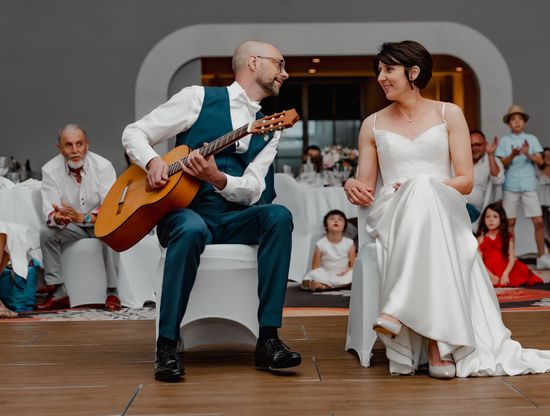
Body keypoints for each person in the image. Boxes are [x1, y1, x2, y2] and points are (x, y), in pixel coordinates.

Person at [344, 40, 550, 378]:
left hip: (443, 207)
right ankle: (436, 344)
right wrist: (351, 186)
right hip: (393, 211)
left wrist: (424, 186)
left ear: (413, 72)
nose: (381, 78)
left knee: (423, 189)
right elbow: (366, 187)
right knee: (417, 192)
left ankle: (402, 312)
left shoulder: (449, 113)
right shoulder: (372, 124)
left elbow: (464, 182)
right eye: (380, 71)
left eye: (388, 70)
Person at [122, 40, 301, 382]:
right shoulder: (198, 98)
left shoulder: (270, 127)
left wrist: (219, 180)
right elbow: (135, 133)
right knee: (190, 229)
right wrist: (154, 161)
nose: (285, 72)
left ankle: (268, 339)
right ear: (253, 63)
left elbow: (255, 190)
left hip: (235, 216)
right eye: (279, 63)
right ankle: (167, 345)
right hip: (185, 211)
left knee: (278, 216)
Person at [38, 124, 120, 312]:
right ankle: (59, 292)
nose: (75, 150)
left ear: (87, 145)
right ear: (60, 148)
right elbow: (49, 211)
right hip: (73, 227)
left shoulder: (103, 166)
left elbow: (111, 208)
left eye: (79, 144)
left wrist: (84, 217)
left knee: (112, 232)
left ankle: (113, 292)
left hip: (99, 223)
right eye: (68, 145)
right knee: (46, 233)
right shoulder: (50, 170)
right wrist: (57, 218)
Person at [496, 105, 550, 270]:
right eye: (513, 119)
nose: (516, 122)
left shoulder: (531, 139)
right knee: (510, 221)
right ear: (509, 123)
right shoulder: (504, 141)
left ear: (524, 121)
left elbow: (540, 161)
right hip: (510, 185)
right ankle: (511, 259)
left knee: (538, 221)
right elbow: (502, 163)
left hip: (529, 184)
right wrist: (512, 155)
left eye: (519, 119)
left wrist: (527, 153)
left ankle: (542, 257)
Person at [476, 203, 543, 288]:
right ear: (483, 219)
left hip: (505, 268)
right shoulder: (481, 239)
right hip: (488, 270)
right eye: (487, 216)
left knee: (521, 271)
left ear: (501, 219)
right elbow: (479, 262)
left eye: (495, 217)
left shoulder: (507, 238)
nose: (491, 220)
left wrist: (505, 274)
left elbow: (512, 259)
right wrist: (491, 276)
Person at [301, 209, 356, 291]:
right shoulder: (320, 243)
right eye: (332, 219)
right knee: (312, 274)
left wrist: (347, 270)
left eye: (340, 219)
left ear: (344, 226)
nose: (336, 220)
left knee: (354, 274)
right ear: (326, 225)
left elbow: (353, 265)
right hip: (326, 274)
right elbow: (315, 267)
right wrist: (316, 275)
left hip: (343, 274)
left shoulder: (349, 243)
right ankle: (335, 285)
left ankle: (325, 286)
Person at [468, 130, 504, 219]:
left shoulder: (492, 161)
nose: (474, 148)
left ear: (485, 144)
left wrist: (490, 155)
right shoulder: (459, 162)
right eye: (471, 145)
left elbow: (498, 181)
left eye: (478, 145)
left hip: (481, 213)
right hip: (458, 209)